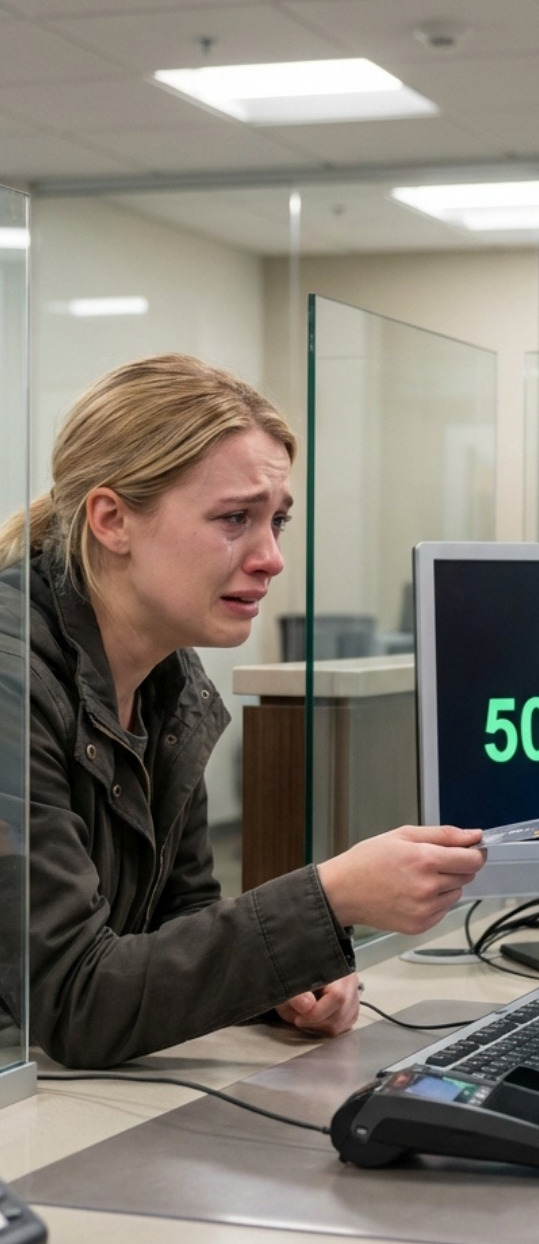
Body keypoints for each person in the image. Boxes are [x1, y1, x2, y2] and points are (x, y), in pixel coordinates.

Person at [0, 353, 484, 1070]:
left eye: (276, 521)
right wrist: (329, 898)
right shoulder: (11, 684)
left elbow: (179, 918)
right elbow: (77, 1000)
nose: (271, 558)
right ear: (112, 520)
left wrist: (289, 976)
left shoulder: (169, 679)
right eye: (235, 518)